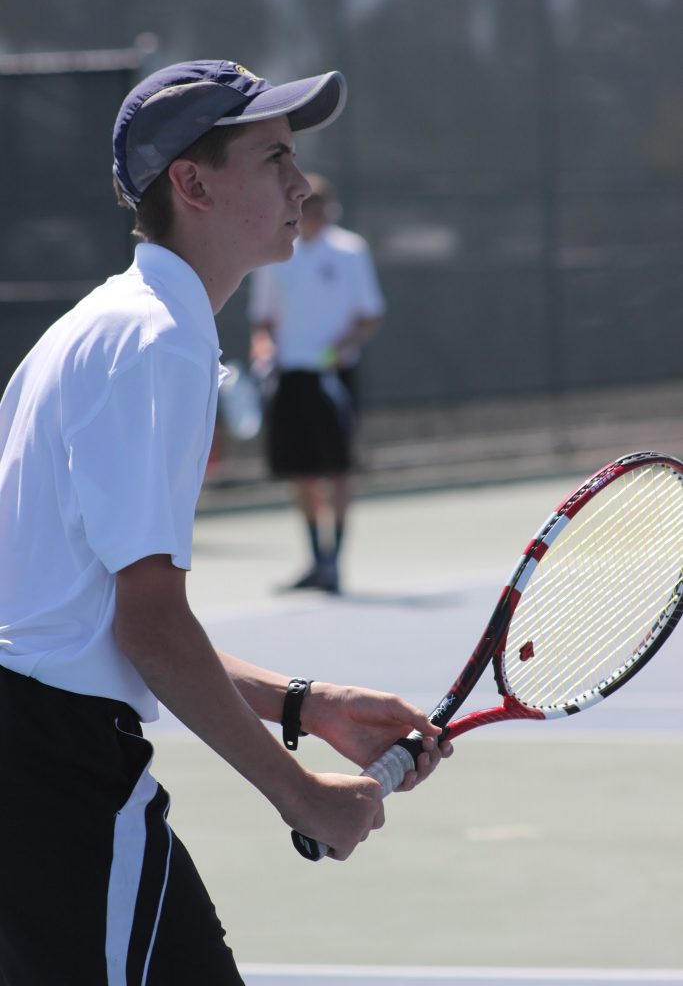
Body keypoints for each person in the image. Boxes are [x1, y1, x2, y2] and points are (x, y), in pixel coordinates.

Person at [0, 58, 452, 985]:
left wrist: (306, 703)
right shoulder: (158, 341)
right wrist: (300, 796)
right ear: (193, 184)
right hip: (51, 768)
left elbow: (87, 617)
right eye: (274, 157)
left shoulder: (106, 323)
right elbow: (149, 627)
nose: (300, 183)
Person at [249, 174, 384, 594]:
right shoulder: (272, 254)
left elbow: (369, 315)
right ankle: (316, 560)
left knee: (338, 470)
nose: (312, 212)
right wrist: (263, 349)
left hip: (332, 378)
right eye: (306, 203)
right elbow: (263, 322)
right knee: (301, 472)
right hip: (289, 377)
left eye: (320, 204)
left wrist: (335, 350)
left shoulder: (349, 251)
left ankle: (334, 563)